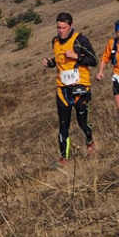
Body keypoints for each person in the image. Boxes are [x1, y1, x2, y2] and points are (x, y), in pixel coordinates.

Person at [42, 12, 98, 165]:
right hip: (62, 89)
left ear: (71, 26)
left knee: (82, 123)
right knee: (63, 124)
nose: (60, 31)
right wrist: (50, 63)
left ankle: (89, 140)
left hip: (81, 87)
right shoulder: (54, 41)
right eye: (58, 27)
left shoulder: (80, 40)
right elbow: (59, 60)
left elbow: (93, 60)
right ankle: (64, 158)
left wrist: (77, 57)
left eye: (64, 27)